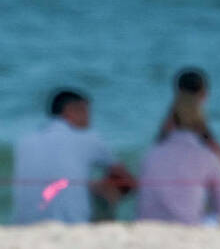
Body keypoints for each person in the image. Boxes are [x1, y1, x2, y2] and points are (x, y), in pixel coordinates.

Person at [12, 88, 136, 224]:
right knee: (112, 185)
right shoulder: (88, 138)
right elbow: (127, 180)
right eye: (86, 111)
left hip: (25, 225)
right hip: (72, 222)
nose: (89, 118)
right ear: (70, 111)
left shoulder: (25, 142)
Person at [138, 102, 220, 225]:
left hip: (147, 224)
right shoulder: (207, 156)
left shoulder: (150, 153)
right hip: (188, 224)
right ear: (201, 126)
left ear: (170, 123)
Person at [157, 68, 220, 192]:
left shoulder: (165, 133)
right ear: (204, 94)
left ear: (177, 92)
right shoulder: (198, 127)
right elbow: (216, 150)